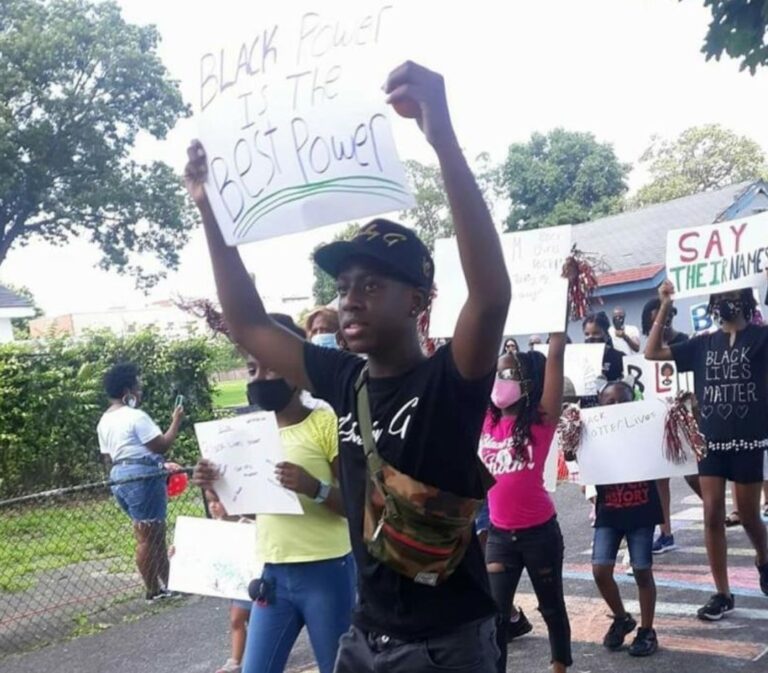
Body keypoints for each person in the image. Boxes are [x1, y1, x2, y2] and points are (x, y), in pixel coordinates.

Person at [185, 61, 509, 673]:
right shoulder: (344, 379)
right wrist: (211, 213)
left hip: (447, 645)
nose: (350, 299)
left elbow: (490, 297)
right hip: (366, 636)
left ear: (416, 302)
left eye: (372, 285)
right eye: (343, 286)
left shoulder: (448, 382)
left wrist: (442, 138)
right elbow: (249, 324)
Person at [194, 314, 354, 673]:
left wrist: (314, 488)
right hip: (272, 574)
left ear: (295, 370)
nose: (260, 378)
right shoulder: (243, 437)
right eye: (252, 370)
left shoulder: (325, 423)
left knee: (338, 667)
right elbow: (247, 513)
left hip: (326, 570)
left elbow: (358, 505)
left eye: (270, 368)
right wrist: (215, 488)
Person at [646, 281, 768, 620]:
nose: (726, 303)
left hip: (748, 441)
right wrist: (665, 304)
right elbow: (652, 353)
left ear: (745, 300)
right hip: (711, 442)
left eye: (732, 297)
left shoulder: (761, 338)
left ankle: (764, 558)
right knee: (712, 511)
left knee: (749, 516)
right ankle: (722, 593)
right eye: (720, 298)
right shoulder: (701, 344)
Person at [480, 333, 571, 673]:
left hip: (539, 535)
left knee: (551, 608)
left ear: (528, 382)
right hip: (500, 537)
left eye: (508, 374)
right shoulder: (487, 420)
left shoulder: (541, 420)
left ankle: (559, 667)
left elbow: (555, 358)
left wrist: (557, 333)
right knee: (496, 616)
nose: (499, 381)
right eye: (496, 373)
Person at [97, 363, 184, 602]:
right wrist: (176, 421)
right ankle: (154, 590)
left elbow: (110, 455)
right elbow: (161, 445)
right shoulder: (136, 416)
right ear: (127, 391)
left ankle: (167, 585)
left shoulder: (104, 421)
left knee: (151, 533)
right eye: (138, 387)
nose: (140, 391)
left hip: (119, 476)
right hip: (142, 478)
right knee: (148, 536)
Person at [590, 381, 661, 657]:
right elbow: (574, 456)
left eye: (623, 402)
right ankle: (621, 617)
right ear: (600, 406)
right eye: (610, 402)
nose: (617, 407)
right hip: (609, 511)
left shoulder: (646, 434)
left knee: (642, 570)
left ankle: (647, 629)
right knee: (600, 569)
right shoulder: (595, 435)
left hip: (641, 511)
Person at [640, 297, 700, 554]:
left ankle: (715, 510)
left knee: (693, 473)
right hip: (655, 418)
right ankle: (665, 533)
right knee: (659, 477)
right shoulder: (643, 350)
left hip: (685, 416)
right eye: (657, 319)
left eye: (666, 317)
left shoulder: (684, 342)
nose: (663, 323)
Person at [583, 312, 624, 381]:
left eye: (596, 333)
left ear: (606, 335)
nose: (590, 338)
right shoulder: (581, 359)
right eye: (587, 334)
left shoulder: (620, 358)